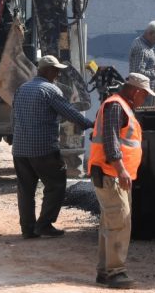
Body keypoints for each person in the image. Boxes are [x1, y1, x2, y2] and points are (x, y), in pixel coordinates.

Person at [11, 55, 95, 239]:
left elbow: (15, 116)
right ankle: (44, 225)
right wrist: (92, 124)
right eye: (56, 70)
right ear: (47, 71)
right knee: (55, 185)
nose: (57, 74)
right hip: (43, 149)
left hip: (20, 149)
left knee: (25, 189)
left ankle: (27, 229)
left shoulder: (22, 89)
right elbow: (70, 112)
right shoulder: (50, 90)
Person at [87, 73, 153, 288]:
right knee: (120, 222)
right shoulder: (116, 106)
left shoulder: (120, 106)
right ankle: (116, 272)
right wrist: (121, 169)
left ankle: (105, 271)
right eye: (145, 95)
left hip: (113, 174)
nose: (146, 100)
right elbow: (111, 141)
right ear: (135, 91)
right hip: (111, 174)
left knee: (111, 222)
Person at [128, 21, 155, 97]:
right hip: (145, 95)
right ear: (150, 33)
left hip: (147, 93)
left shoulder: (142, 43)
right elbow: (138, 73)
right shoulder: (141, 50)